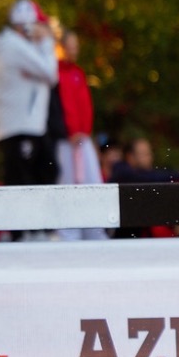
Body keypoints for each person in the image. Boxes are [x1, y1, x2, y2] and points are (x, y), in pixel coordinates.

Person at [0, 0, 59, 188]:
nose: (43, 29)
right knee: (23, 183)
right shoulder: (13, 46)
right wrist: (46, 42)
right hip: (20, 128)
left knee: (47, 172)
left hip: (30, 127)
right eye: (39, 25)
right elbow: (51, 74)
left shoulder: (21, 46)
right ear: (27, 25)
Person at [52, 30, 106, 240]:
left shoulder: (78, 73)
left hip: (82, 138)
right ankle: (69, 232)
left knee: (91, 181)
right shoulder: (55, 74)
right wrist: (69, 130)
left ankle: (94, 229)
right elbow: (60, 107)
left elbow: (85, 105)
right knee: (67, 183)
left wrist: (84, 130)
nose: (74, 50)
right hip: (66, 140)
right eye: (70, 46)